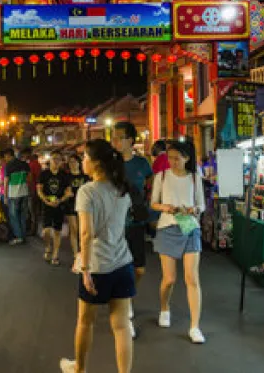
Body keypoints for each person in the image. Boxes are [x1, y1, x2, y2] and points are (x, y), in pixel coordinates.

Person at [60, 139, 134, 373]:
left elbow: (85, 233)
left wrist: (85, 270)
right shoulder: (122, 189)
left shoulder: (87, 191)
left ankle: (80, 369)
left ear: (95, 163)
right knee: (121, 326)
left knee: (85, 321)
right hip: (123, 262)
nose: (82, 161)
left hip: (97, 266)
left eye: (84, 157)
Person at [150, 140, 206, 344]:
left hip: (190, 227)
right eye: (169, 157)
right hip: (167, 227)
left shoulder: (194, 178)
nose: (172, 161)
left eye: (176, 158)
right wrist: (166, 207)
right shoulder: (161, 177)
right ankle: (165, 308)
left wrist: (194, 210)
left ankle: (195, 326)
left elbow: (201, 204)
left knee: (192, 278)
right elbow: (153, 203)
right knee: (169, 279)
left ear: (187, 158)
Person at [112, 121, 153, 338]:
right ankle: (124, 306)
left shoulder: (142, 163)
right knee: (121, 267)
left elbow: (151, 184)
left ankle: (127, 296)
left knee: (139, 269)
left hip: (136, 222)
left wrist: (149, 208)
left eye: (119, 136)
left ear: (130, 140)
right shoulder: (111, 164)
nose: (115, 141)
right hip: (116, 225)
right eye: (114, 137)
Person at [37, 151, 73, 266]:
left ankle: (55, 255)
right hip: (46, 206)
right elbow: (39, 190)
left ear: (61, 161)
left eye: (59, 159)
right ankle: (48, 247)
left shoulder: (64, 175)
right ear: (50, 160)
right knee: (46, 231)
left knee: (57, 231)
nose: (56, 161)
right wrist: (46, 200)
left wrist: (60, 200)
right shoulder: (44, 174)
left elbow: (68, 192)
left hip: (59, 206)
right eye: (54, 159)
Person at [64, 155, 90, 263]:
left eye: (74, 162)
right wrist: (66, 193)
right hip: (71, 204)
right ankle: (76, 254)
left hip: (83, 205)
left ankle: (83, 250)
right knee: (74, 229)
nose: (72, 164)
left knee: (82, 229)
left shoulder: (85, 177)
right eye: (70, 162)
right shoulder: (67, 177)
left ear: (79, 163)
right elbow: (65, 190)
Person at [3, 147, 31, 245]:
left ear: (9, 155)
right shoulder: (25, 164)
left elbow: (5, 182)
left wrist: (5, 196)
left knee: (13, 216)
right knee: (23, 216)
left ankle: (19, 237)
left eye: (5, 157)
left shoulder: (8, 166)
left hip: (14, 195)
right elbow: (29, 179)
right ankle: (23, 236)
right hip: (24, 193)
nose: (5, 159)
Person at [27, 152, 43, 235]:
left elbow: (30, 179)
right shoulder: (39, 165)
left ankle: (33, 230)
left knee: (31, 211)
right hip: (38, 190)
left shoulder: (31, 165)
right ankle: (34, 229)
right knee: (35, 211)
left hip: (32, 190)